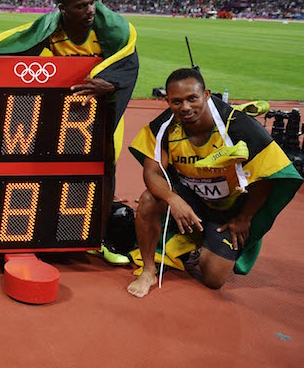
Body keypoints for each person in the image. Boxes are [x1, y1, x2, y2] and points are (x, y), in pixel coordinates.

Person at [0, 0, 140, 263]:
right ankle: (48, 232)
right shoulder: (51, 28)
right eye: (81, 6)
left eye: (92, 3)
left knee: (104, 171)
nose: (90, 10)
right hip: (65, 112)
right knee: (54, 167)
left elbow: (128, 63)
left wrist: (111, 84)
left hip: (104, 110)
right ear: (63, 9)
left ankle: (98, 240)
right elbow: (19, 39)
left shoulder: (113, 30)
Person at [127, 68, 301, 298]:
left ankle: (200, 243)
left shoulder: (238, 125)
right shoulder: (164, 127)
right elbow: (152, 173)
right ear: (167, 100)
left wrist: (245, 218)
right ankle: (149, 270)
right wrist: (173, 199)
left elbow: (266, 176)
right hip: (192, 199)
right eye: (177, 101)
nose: (185, 107)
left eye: (192, 98)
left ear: (206, 94)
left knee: (214, 279)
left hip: (229, 212)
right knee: (149, 199)